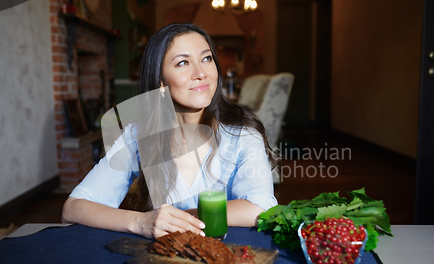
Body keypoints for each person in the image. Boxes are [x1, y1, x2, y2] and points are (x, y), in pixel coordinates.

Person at [62, 23, 278, 239]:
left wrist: (180, 218)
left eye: (207, 58)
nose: (201, 73)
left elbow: (260, 207)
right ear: (161, 81)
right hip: (166, 258)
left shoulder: (242, 134)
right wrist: (141, 221)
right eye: (183, 62)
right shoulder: (138, 135)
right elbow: (73, 209)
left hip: (232, 256)